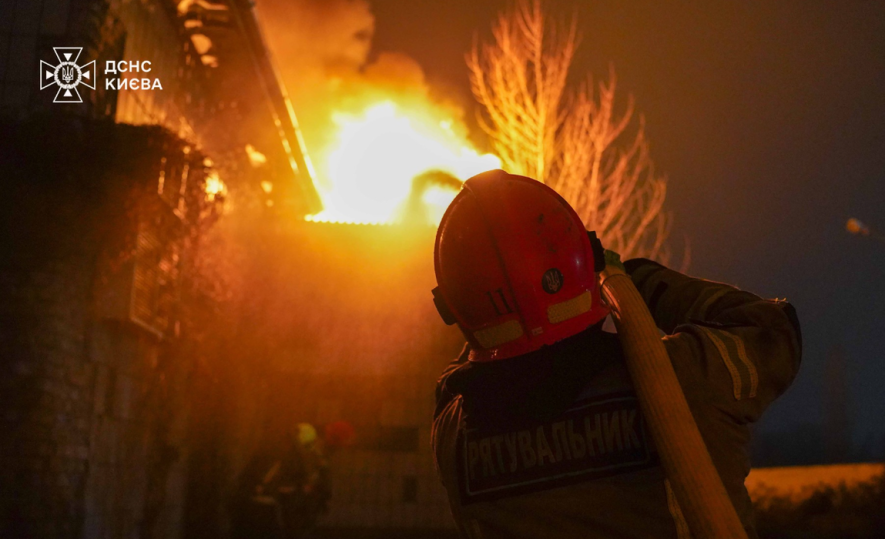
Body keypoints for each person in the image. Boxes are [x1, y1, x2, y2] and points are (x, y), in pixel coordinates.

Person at [430, 170, 801, 538]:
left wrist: (490, 289)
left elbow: (466, 367)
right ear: (582, 263)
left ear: (453, 305)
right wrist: (637, 279)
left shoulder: (453, 438)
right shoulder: (687, 377)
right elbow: (775, 331)